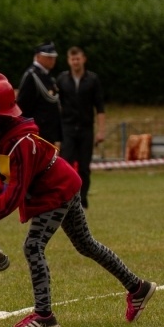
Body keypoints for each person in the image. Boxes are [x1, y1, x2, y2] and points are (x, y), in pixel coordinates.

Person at [0, 73, 156, 327]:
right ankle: (138, 288)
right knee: (86, 244)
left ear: (1, 115)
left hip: (57, 191)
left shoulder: (21, 143)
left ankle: (44, 316)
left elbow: (14, 193)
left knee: (33, 245)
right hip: (61, 187)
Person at [57, 46, 106, 209]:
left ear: (83, 59)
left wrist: (101, 130)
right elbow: (57, 106)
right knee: (66, 164)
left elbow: (99, 107)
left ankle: (82, 200)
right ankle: (66, 198)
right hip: (67, 128)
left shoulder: (93, 79)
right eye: (72, 59)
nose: (75, 62)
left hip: (86, 128)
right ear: (68, 61)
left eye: (78, 58)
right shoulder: (62, 79)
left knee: (84, 167)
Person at [15, 41, 62, 147]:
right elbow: (23, 106)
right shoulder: (32, 76)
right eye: (48, 57)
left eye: (53, 57)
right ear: (38, 57)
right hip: (38, 132)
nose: (52, 60)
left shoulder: (48, 76)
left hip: (49, 132)